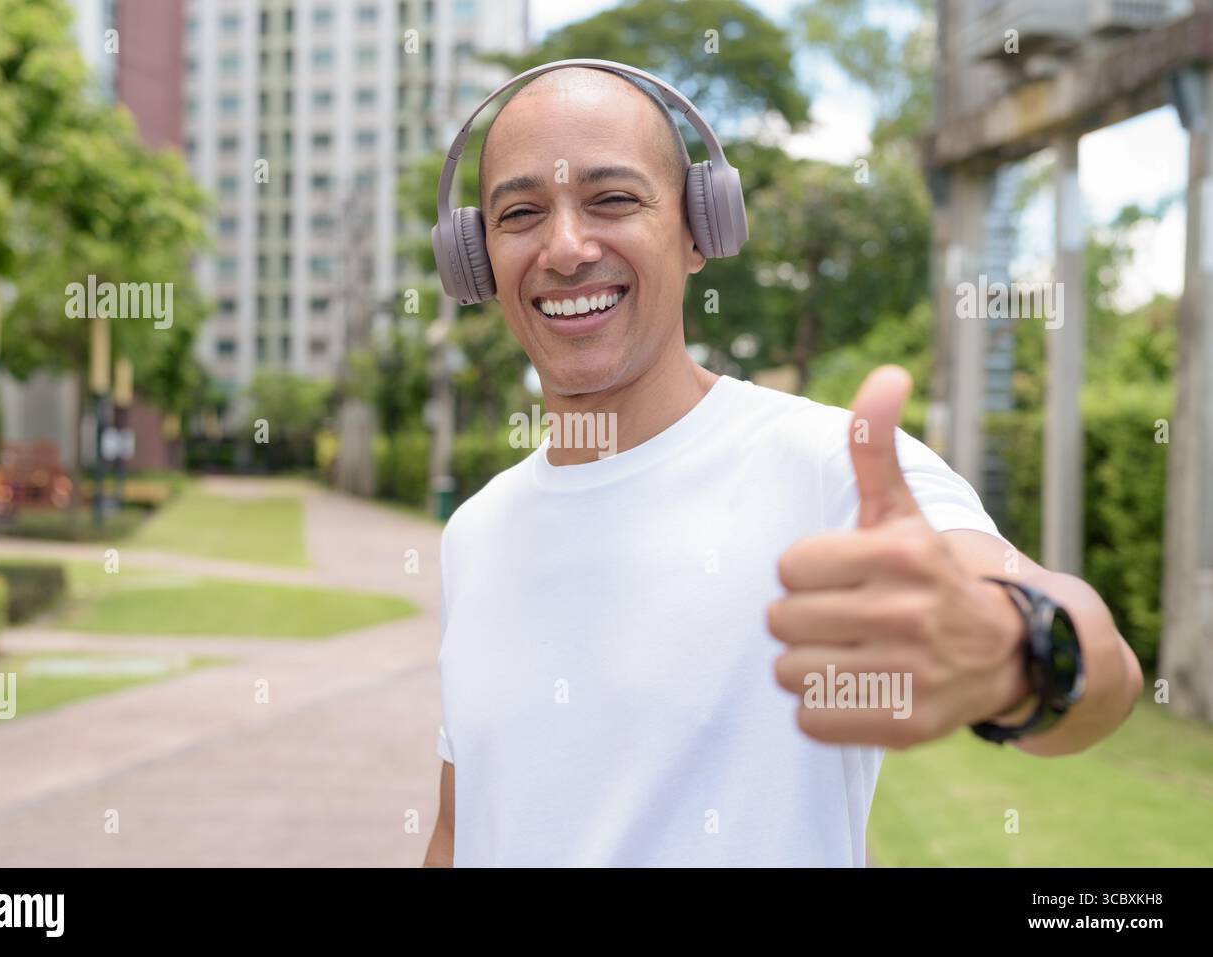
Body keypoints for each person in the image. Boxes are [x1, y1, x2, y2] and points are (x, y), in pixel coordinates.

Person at [422, 64, 1142, 867]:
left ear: (701, 229)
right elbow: (460, 829)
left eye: (613, 199)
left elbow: (1107, 672)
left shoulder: (833, 466)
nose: (565, 247)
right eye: (520, 213)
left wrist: (1017, 649)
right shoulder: (474, 531)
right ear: (475, 260)